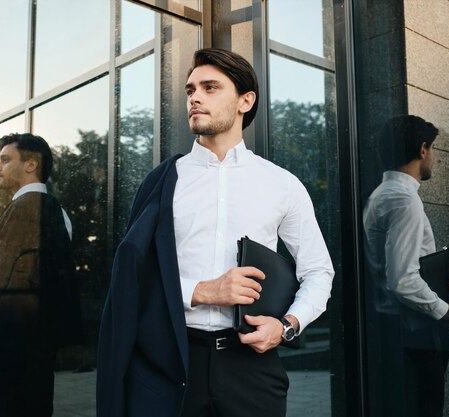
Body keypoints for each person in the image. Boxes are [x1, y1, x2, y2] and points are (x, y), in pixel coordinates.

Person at [97, 48, 334, 417]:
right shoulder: (163, 182)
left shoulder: (282, 184)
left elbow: (319, 271)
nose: (195, 97)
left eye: (210, 88)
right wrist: (204, 290)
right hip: (168, 361)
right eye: (191, 89)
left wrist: (287, 326)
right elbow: (132, 277)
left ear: (245, 100)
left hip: (252, 368)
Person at [0, 133, 82, 417]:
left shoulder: (38, 210)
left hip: (16, 364)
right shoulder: (32, 211)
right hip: (11, 359)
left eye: (4, 160)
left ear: (31, 165)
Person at [362, 115, 449, 417]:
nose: (434, 157)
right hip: (416, 330)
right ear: (423, 149)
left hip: (400, 327)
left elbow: (402, 267)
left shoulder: (381, 196)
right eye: (433, 148)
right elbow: (403, 280)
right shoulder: (403, 200)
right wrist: (448, 312)